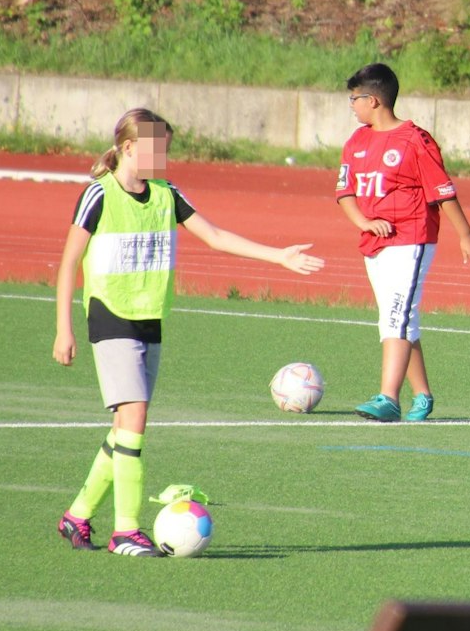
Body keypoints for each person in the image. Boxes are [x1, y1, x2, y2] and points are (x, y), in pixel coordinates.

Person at [53, 108, 324, 555]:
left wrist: (279, 257)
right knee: (135, 419)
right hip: (110, 317)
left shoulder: (166, 194)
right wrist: (64, 328)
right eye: (156, 148)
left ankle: (77, 516)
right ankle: (125, 530)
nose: (164, 157)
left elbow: (215, 236)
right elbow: (67, 265)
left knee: (124, 427)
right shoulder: (98, 196)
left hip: (151, 319)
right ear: (126, 148)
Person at [336, 63, 470, 423]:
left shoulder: (415, 140)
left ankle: (389, 397)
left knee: (396, 318)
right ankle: (424, 395)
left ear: (373, 100)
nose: (351, 106)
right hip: (374, 243)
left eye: (354, 99)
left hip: (411, 238)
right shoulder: (356, 141)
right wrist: (366, 222)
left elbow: (443, 191)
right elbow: (345, 193)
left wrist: (465, 234)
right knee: (399, 319)